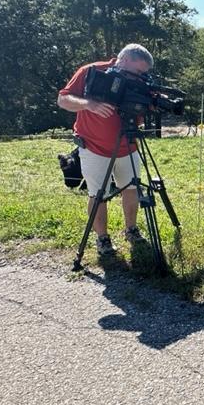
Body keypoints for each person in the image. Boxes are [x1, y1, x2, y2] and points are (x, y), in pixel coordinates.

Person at [57, 44, 153, 256]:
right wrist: (88, 104)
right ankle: (102, 239)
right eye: (138, 71)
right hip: (94, 147)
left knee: (131, 188)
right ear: (125, 60)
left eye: (144, 73)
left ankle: (131, 229)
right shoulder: (92, 71)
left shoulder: (140, 81)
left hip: (128, 145)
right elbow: (63, 99)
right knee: (98, 193)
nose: (141, 76)